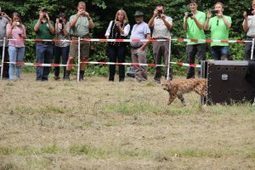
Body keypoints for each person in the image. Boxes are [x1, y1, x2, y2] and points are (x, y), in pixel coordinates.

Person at [66, 1, 95, 81]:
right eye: (80, 8)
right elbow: (71, 25)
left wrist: (89, 17)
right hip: (75, 38)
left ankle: (81, 76)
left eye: (83, 8)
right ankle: (67, 75)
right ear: (77, 8)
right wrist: (78, 16)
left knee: (84, 58)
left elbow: (92, 26)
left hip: (85, 38)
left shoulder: (87, 18)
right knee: (71, 57)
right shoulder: (73, 16)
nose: (82, 9)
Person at [148, 4, 173, 83]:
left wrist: (163, 19)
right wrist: (153, 15)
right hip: (156, 40)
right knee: (157, 60)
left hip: (166, 40)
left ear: (163, 10)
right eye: (158, 10)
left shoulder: (168, 18)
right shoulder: (154, 18)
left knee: (167, 60)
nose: (159, 12)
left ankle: (168, 77)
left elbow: (170, 27)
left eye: (160, 10)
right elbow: (148, 25)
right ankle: (157, 78)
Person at [105, 9, 130, 82]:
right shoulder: (112, 22)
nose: (120, 16)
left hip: (121, 46)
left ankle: (121, 79)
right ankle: (111, 78)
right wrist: (107, 38)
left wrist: (119, 26)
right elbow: (107, 32)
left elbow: (124, 34)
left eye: (121, 15)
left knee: (121, 61)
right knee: (112, 61)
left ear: (124, 16)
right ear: (117, 15)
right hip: (112, 45)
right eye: (118, 14)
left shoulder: (127, 24)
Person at [183, 0, 206, 78]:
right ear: (189, 7)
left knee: (201, 61)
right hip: (190, 41)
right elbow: (185, 28)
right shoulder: (187, 16)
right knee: (190, 61)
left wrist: (194, 18)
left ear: (197, 6)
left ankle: (201, 77)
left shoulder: (202, 14)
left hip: (200, 40)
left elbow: (201, 27)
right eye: (191, 5)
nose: (192, 6)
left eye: (194, 5)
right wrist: (186, 18)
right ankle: (190, 78)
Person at [33, 8, 55, 81]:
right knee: (39, 61)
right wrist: (40, 19)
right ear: (39, 13)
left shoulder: (50, 22)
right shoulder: (36, 21)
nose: (44, 13)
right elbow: (35, 29)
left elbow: (53, 31)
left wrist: (48, 20)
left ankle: (45, 77)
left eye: (45, 12)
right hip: (40, 44)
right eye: (42, 12)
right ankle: (39, 77)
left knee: (48, 61)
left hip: (49, 45)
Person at [130, 11, 151, 82]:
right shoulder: (134, 26)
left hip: (141, 47)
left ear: (142, 17)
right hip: (133, 48)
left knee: (142, 64)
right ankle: (138, 78)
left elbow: (148, 37)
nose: (137, 18)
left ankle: (144, 79)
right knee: (135, 65)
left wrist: (143, 47)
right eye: (136, 17)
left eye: (139, 16)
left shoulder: (145, 25)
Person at [6, 12, 26, 80]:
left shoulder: (22, 26)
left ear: (19, 18)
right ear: (12, 18)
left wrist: (23, 36)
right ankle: (11, 77)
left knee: (19, 62)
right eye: (14, 18)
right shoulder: (9, 25)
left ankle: (18, 76)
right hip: (12, 45)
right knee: (12, 62)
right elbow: (8, 36)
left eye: (17, 18)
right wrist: (12, 26)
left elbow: (25, 36)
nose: (16, 19)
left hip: (21, 46)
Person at [54, 12, 70, 80]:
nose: (62, 20)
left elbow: (66, 34)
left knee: (65, 60)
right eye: (60, 19)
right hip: (57, 44)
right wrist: (57, 24)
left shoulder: (68, 23)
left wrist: (63, 25)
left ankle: (65, 76)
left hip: (65, 44)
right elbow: (55, 32)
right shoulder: (57, 23)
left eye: (63, 19)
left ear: (65, 19)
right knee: (56, 60)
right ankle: (56, 75)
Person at [0, 8, 11, 79]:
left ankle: (5, 75)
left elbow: (11, 22)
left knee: (5, 60)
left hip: (4, 44)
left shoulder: (5, 19)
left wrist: (7, 16)